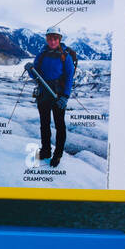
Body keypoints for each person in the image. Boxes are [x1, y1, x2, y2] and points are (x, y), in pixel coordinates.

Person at [32, 27, 74, 167]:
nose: (52, 40)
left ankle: (58, 154)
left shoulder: (65, 56)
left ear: (59, 39)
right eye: (50, 38)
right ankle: (46, 151)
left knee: (59, 125)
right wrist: (29, 69)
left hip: (58, 95)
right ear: (46, 39)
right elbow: (35, 73)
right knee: (44, 124)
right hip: (44, 93)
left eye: (55, 38)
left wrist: (65, 97)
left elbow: (69, 77)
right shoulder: (42, 54)